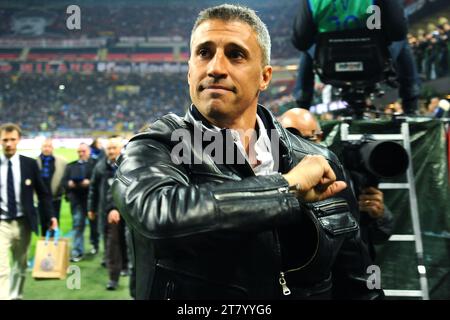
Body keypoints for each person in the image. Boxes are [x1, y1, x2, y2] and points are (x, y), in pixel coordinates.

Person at [112, 4, 383, 300]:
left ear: (265, 77)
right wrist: (287, 189)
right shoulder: (155, 147)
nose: (215, 68)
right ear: (190, 72)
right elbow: (159, 215)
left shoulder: (319, 160)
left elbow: (356, 284)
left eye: (235, 54)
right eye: (204, 53)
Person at [279, 108, 394, 259]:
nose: (299, 147)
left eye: (307, 139)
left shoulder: (346, 177)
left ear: (320, 138)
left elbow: (378, 236)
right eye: (292, 139)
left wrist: (378, 216)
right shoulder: (275, 184)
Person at [291, 0, 420, 115]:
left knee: (307, 48)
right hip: (373, 63)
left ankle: (302, 107)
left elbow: (300, 41)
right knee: (402, 41)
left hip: (331, 66)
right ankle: (411, 104)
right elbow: (398, 31)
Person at [0, 123, 57, 300]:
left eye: (12, 139)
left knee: (20, 265)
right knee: (2, 268)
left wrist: (51, 216)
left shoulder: (29, 164)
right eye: (5, 140)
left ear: (19, 140)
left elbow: (43, 193)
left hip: (24, 223)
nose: (9, 143)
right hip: (1, 224)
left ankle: (16, 295)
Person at [88, 136, 128, 290]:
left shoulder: (128, 165)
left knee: (125, 242)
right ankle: (113, 278)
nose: (111, 151)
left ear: (120, 149)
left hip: (128, 211)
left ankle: (125, 266)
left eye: (114, 148)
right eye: (109, 148)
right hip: (107, 213)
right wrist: (91, 208)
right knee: (112, 244)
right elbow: (93, 189)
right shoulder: (100, 167)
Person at [63, 142, 98, 262]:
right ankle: (77, 251)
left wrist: (90, 182)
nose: (81, 154)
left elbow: (99, 181)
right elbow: (64, 182)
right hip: (77, 200)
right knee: (77, 225)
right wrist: (69, 184)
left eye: (83, 151)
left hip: (91, 200)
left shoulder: (95, 165)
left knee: (95, 225)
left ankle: (95, 244)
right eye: (79, 151)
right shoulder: (70, 166)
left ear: (88, 151)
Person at [36, 138, 67, 236]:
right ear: (41, 147)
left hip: (55, 198)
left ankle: (55, 243)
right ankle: (44, 243)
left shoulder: (61, 161)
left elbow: (66, 177)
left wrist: (62, 190)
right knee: (43, 221)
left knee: (55, 221)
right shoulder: (35, 162)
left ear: (52, 148)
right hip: (41, 199)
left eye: (49, 146)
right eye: (45, 146)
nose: (47, 149)